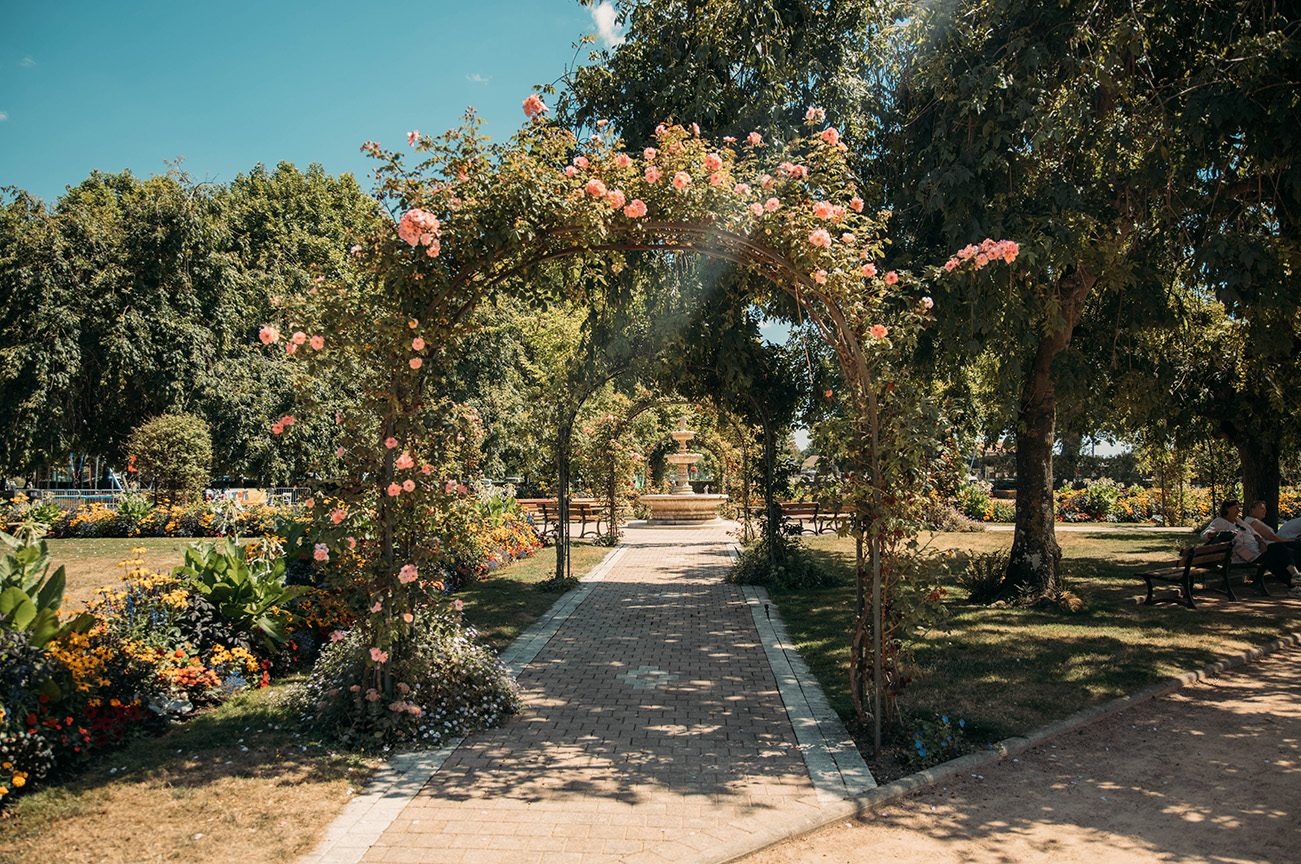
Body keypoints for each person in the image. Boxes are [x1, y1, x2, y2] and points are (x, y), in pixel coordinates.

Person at [1201, 499, 1301, 597]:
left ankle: (1294, 580)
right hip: (1243, 554)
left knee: (1276, 550)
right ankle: (1294, 583)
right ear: (1227, 508)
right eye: (1235, 508)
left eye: (1238, 508)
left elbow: (1255, 534)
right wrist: (1220, 533)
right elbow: (1204, 535)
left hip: (1257, 549)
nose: (1238, 510)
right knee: (1273, 558)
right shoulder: (1220, 522)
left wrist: (1261, 543)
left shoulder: (1239, 521)